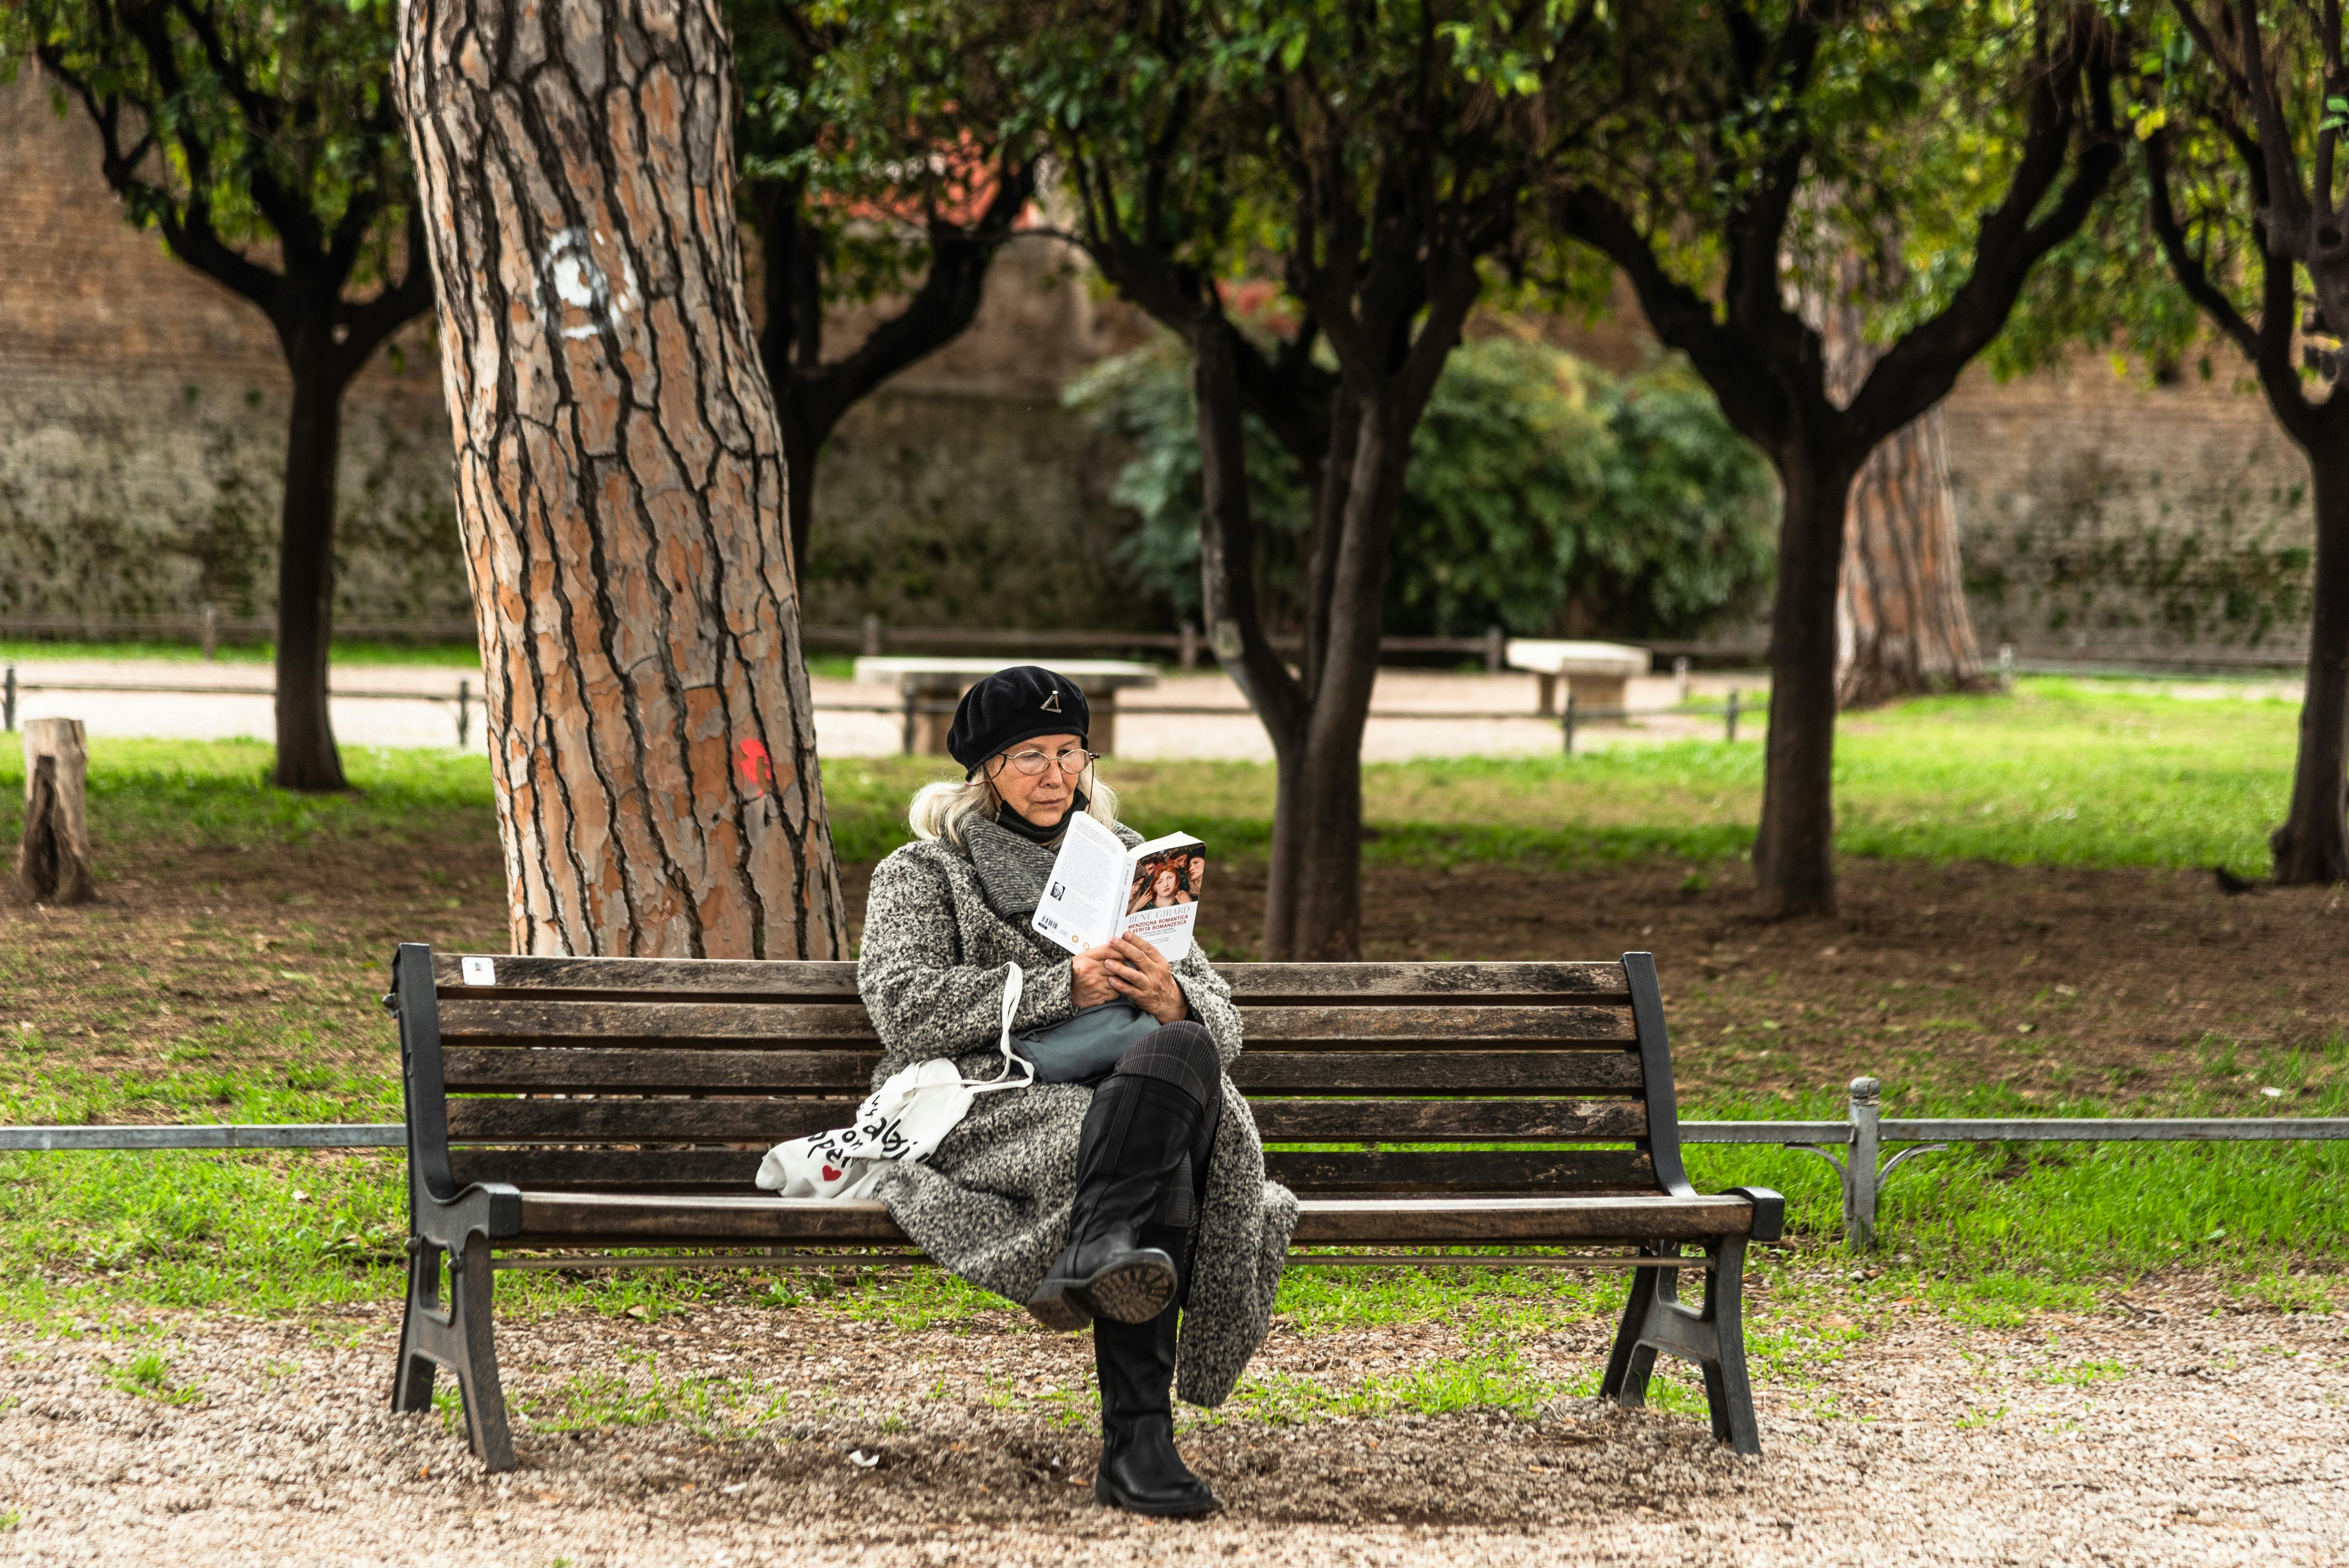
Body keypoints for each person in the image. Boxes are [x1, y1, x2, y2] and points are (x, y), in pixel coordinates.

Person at [856, 666, 1298, 1518]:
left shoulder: (1135, 864)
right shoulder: (925, 871)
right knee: (1154, 1148)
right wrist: (1066, 986)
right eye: (1031, 755)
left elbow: (1223, 1031)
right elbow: (905, 1010)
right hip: (1002, 1094)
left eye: (1071, 752)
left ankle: (1097, 1252)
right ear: (984, 768)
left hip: (1148, 1083)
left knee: (1173, 1053)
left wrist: (1176, 996)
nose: (1057, 774)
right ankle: (1142, 1443)